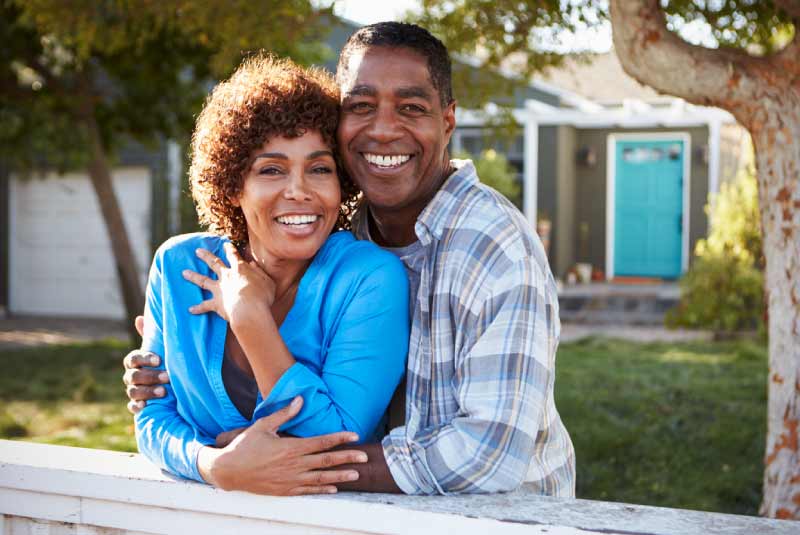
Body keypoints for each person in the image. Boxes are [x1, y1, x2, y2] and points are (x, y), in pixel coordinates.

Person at [125, 22, 575, 496]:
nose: (382, 129)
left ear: (447, 122)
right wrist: (215, 463)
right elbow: (157, 412)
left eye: (411, 107)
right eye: (360, 106)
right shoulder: (349, 227)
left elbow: (490, 455)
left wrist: (278, 464)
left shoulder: (493, 248)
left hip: (507, 517)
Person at [132, 54, 409, 495]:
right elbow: (151, 416)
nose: (299, 190)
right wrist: (214, 463)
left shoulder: (368, 279)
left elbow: (337, 442)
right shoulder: (179, 267)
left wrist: (248, 316)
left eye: (320, 169)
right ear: (232, 186)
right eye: (271, 170)